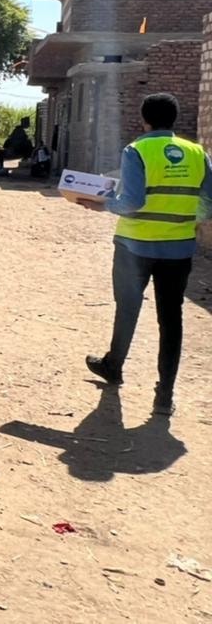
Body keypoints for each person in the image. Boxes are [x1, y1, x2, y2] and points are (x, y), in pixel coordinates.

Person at [78, 93, 212, 416]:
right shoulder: (198, 154)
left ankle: (114, 366)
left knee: (128, 308)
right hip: (178, 249)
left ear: (144, 119)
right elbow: (208, 203)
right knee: (172, 318)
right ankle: (164, 395)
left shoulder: (136, 150)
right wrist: (186, 220)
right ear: (174, 118)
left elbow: (132, 202)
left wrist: (102, 205)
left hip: (134, 246)